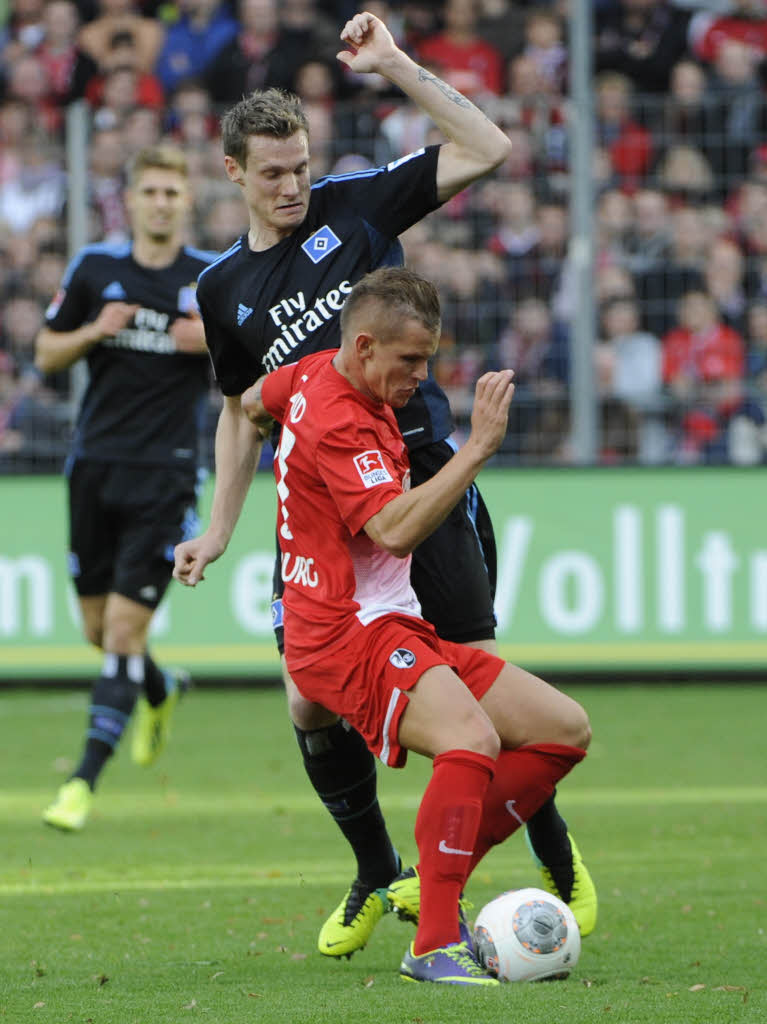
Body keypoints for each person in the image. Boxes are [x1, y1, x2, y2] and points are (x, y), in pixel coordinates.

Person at [173, 10, 597, 959]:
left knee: (482, 705)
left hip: (419, 492)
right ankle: (379, 873)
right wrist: (217, 527)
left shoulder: (354, 207)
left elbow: (487, 145)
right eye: (273, 172)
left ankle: (553, 863)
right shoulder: (221, 290)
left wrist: (396, 63)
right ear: (233, 172)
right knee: (306, 703)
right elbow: (241, 410)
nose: (292, 186)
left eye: (301, 165)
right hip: (319, 522)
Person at [236, 267, 592, 985]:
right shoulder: (339, 415)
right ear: (363, 346)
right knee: (471, 741)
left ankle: (434, 880)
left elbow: (250, 402)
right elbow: (394, 529)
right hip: (343, 629)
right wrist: (477, 447)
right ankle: (433, 939)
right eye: (409, 361)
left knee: (562, 728)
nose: (420, 377)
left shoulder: (304, 376)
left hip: (391, 621)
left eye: (427, 359)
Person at [35, 145, 216, 831]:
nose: (163, 202)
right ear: (132, 200)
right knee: (96, 629)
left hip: (166, 473)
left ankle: (80, 784)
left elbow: (252, 356)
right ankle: (160, 688)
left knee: (119, 631)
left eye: (174, 192)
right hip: (94, 465)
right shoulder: (95, 269)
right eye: (152, 192)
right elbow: (45, 352)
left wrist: (212, 341)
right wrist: (92, 331)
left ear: (186, 201)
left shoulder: (210, 278)